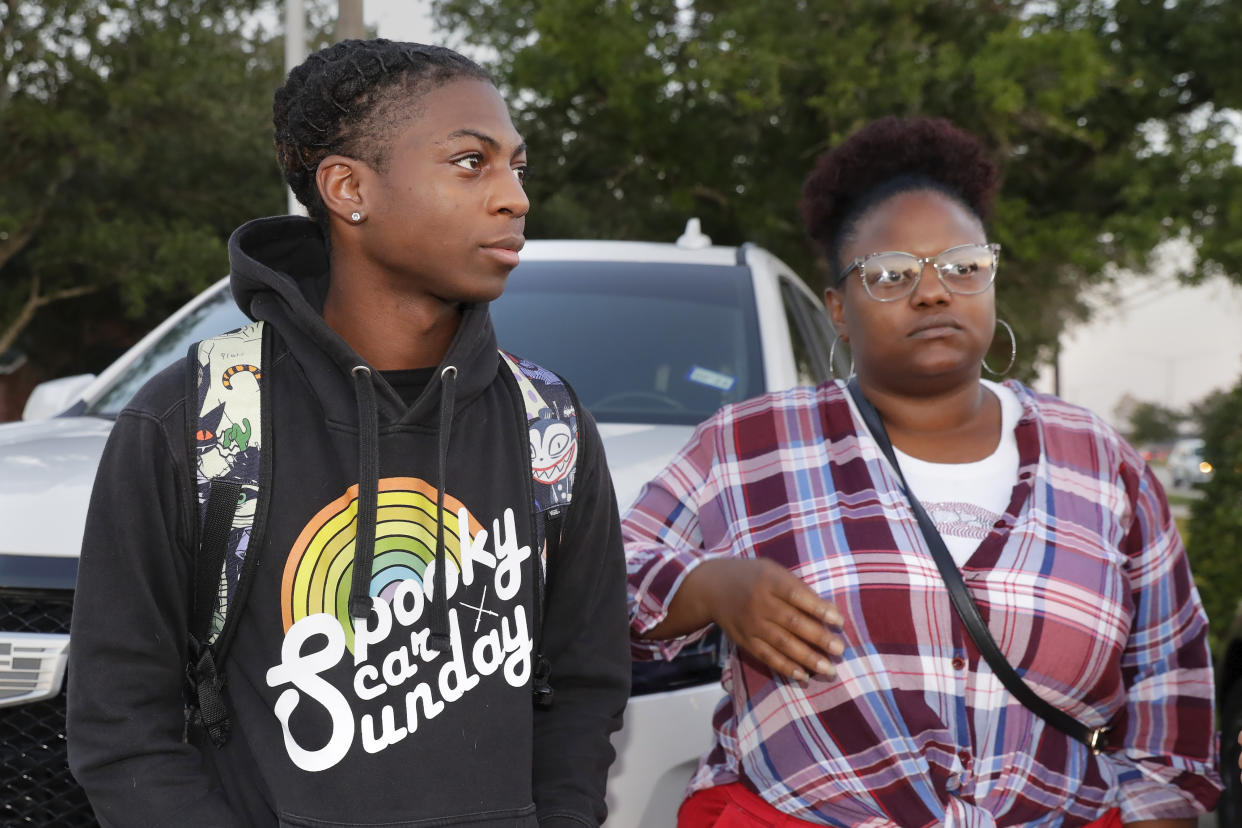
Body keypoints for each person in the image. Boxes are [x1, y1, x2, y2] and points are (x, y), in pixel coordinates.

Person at [67, 39, 630, 827]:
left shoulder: (548, 423)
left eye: (517, 167)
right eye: (472, 162)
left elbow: (583, 688)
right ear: (347, 188)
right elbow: (121, 722)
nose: (514, 198)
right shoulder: (198, 420)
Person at [623, 117, 1222, 827]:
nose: (934, 292)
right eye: (892, 275)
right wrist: (710, 588)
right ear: (839, 312)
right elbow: (597, 585)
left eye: (962, 265)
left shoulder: (1098, 460)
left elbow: (1170, 673)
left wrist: (1155, 809)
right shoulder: (748, 445)